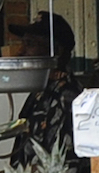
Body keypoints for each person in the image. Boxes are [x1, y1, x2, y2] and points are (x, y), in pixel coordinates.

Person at [15, 12, 83, 161]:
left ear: (56, 52)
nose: (21, 51)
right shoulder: (42, 91)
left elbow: (61, 164)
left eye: (30, 44)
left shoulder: (68, 98)